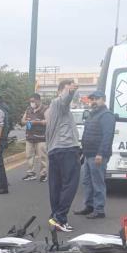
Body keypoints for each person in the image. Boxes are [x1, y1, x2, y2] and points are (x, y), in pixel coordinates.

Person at [74, 90, 115, 219]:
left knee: (97, 183)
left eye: (96, 99)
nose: (93, 102)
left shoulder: (106, 115)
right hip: (88, 154)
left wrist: (100, 154)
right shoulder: (93, 115)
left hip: (97, 155)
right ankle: (89, 206)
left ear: (103, 99)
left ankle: (99, 209)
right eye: (92, 99)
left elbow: (107, 137)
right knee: (87, 182)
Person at [46, 79, 80, 232]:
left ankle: (55, 217)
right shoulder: (58, 103)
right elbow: (65, 99)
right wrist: (70, 91)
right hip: (66, 148)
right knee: (70, 184)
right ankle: (60, 218)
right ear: (61, 90)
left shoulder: (52, 109)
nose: (70, 91)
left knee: (56, 185)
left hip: (54, 150)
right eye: (67, 88)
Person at [22, 93, 48, 182]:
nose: (31, 103)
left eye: (33, 101)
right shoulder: (29, 109)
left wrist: (36, 122)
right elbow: (23, 120)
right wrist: (28, 122)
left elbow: (47, 121)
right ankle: (31, 173)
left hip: (41, 137)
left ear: (38, 100)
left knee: (42, 157)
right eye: (30, 101)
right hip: (29, 136)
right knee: (29, 155)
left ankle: (43, 174)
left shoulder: (45, 109)